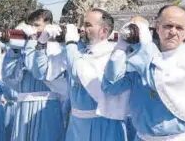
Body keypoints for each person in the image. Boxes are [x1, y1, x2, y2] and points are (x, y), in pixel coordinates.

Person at [102, 5, 185, 140]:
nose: (173, 32)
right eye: (168, 26)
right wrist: (121, 47)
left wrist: (144, 41)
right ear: (157, 27)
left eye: (179, 28)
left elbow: (156, 78)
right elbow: (111, 86)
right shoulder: (141, 57)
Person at [33, 8, 129, 141]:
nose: (82, 29)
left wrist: (71, 43)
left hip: (103, 125)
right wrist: (41, 43)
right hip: (76, 126)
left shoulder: (113, 54)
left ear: (104, 31)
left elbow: (76, 73)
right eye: (83, 25)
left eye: (88, 25)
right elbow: (40, 73)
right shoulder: (79, 52)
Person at [2, 9, 67, 141]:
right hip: (23, 106)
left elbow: (37, 70)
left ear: (49, 25)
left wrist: (33, 40)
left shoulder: (57, 47)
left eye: (37, 25)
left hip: (46, 106)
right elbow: (7, 75)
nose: (32, 29)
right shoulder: (26, 46)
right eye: (30, 25)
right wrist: (14, 50)